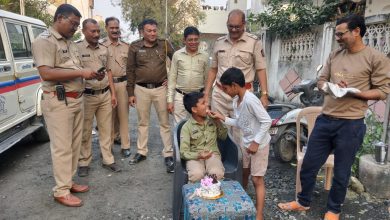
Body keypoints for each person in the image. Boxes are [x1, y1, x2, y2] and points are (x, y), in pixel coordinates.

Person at [277, 15, 390, 220]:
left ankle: (333, 210)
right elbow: (320, 81)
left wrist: (356, 92)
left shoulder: (375, 58)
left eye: (341, 33)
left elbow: (382, 91)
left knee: (341, 171)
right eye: (336, 34)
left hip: (351, 124)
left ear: (356, 31)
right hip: (325, 119)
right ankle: (303, 201)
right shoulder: (334, 56)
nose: (337, 37)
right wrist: (330, 87)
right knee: (309, 164)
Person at [32, 4, 98, 207]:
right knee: (62, 148)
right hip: (59, 101)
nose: (75, 28)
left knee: (74, 145)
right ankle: (60, 190)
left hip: (76, 99)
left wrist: (89, 72)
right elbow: (47, 73)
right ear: (59, 18)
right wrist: (80, 73)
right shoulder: (44, 41)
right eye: (73, 24)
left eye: (78, 25)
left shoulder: (70, 42)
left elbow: (73, 67)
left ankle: (67, 182)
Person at [203, 9, 269, 163]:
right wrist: (207, 93)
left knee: (241, 133)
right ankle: (217, 166)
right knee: (217, 130)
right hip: (220, 93)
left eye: (237, 27)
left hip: (242, 95)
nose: (233, 29)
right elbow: (213, 69)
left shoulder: (254, 42)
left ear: (244, 24)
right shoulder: (219, 42)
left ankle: (239, 168)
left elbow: (261, 68)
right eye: (230, 26)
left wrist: (264, 94)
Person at [211, 67, 272, 220]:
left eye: (225, 88)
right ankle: (243, 201)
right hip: (246, 143)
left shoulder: (251, 101)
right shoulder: (236, 101)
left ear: (234, 85)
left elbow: (267, 121)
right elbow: (239, 123)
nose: (225, 91)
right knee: (244, 172)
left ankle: (259, 214)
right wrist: (222, 118)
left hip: (259, 145)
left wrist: (256, 143)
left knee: (257, 179)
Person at [127, 19, 175, 173]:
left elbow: (177, 60)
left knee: (165, 123)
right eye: (149, 31)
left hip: (161, 88)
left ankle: (168, 153)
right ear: (142, 32)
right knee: (142, 123)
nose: (153, 33)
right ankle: (141, 152)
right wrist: (130, 93)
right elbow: (130, 70)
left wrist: (172, 78)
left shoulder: (165, 44)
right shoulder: (134, 46)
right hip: (141, 89)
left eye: (155, 30)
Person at [76, 18, 120, 177]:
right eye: (92, 31)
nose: (96, 34)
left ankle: (108, 159)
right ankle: (84, 162)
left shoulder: (104, 49)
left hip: (104, 94)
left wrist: (113, 94)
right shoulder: (77, 48)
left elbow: (109, 71)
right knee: (85, 130)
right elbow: (75, 72)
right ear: (84, 31)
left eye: (98, 31)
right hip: (86, 96)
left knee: (106, 129)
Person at [180, 92, 228, 182]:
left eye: (206, 102)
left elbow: (223, 136)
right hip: (195, 157)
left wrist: (218, 121)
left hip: (212, 155)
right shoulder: (186, 127)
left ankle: (213, 194)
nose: (207, 105)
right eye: (203, 103)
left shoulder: (213, 121)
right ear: (194, 109)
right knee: (196, 174)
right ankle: (196, 195)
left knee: (216, 173)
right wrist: (199, 155)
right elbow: (183, 152)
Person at [101, 17, 131, 158]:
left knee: (123, 116)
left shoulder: (126, 46)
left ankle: (125, 145)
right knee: (108, 118)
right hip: (106, 85)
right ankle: (109, 147)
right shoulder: (101, 47)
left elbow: (132, 69)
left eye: (116, 27)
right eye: (111, 28)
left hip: (123, 85)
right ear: (106, 28)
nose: (114, 30)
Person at [167, 26, 209, 125]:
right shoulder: (177, 55)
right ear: (184, 40)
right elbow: (172, 78)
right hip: (180, 97)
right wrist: (169, 100)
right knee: (179, 126)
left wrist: (207, 99)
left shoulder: (205, 56)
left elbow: (207, 79)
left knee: (199, 125)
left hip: (198, 98)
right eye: (190, 40)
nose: (193, 42)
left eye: (196, 39)